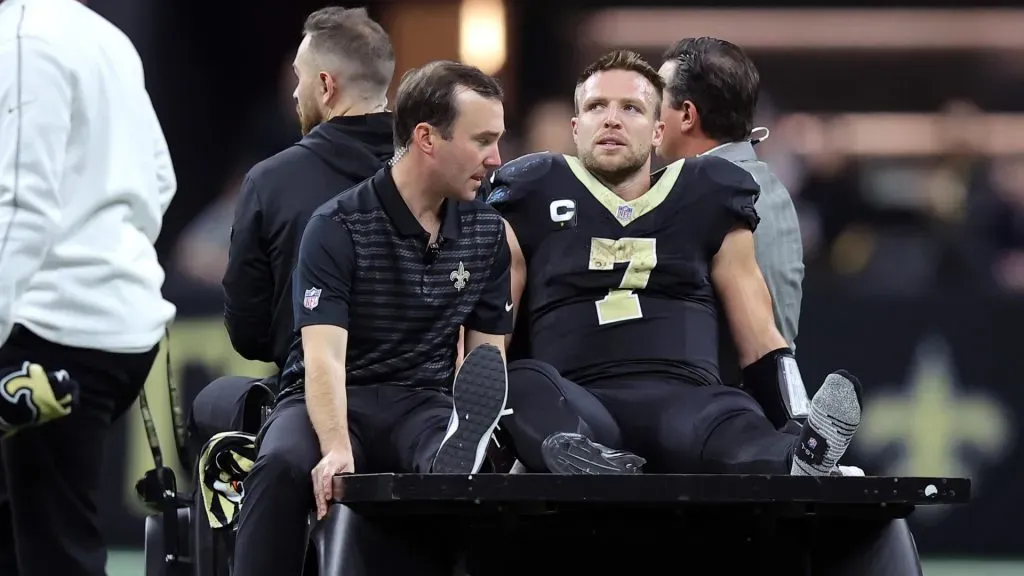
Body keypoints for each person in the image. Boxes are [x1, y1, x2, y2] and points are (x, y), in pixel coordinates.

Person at [489, 50, 862, 477]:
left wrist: (797, 422)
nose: (611, 119)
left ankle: (801, 458)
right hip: (576, 400)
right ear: (576, 128)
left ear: (657, 131)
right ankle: (582, 461)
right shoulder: (532, 191)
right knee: (521, 381)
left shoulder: (708, 192)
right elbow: (492, 333)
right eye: (596, 107)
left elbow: (762, 340)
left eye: (631, 108)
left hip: (684, 401)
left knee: (731, 416)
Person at [232, 60, 514, 576]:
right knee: (280, 466)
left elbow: (486, 358)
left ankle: (459, 452)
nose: (497, 159)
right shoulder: (337, 224)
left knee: (466, 473)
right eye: (482, 141)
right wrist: (336, 447)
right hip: (336, 395)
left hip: (423, 402)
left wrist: (483, 422)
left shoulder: (488, 233)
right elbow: (322, 359)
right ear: (427, 138)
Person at [0, 0, 175, 574]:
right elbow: (161, 178)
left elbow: (22, 204)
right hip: (119, 329)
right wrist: (112, 252)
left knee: (52, 549)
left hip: (50, 331)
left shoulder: (26, 34)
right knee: (36, 531)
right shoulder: (107, 37)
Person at [223, 6, 396, 372]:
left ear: (325, 86)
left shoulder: (269, 182)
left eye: (298, 78)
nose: (294, 94)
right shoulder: (434, 173)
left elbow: (247, 331)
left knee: (215, 402)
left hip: (308, 395)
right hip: (421, 398)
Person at [656, 37, 808, 428]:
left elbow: (765, 333)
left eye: (657, 101)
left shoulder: (734, 191)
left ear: (687, 115)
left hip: (724, 421)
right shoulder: (746, 183)